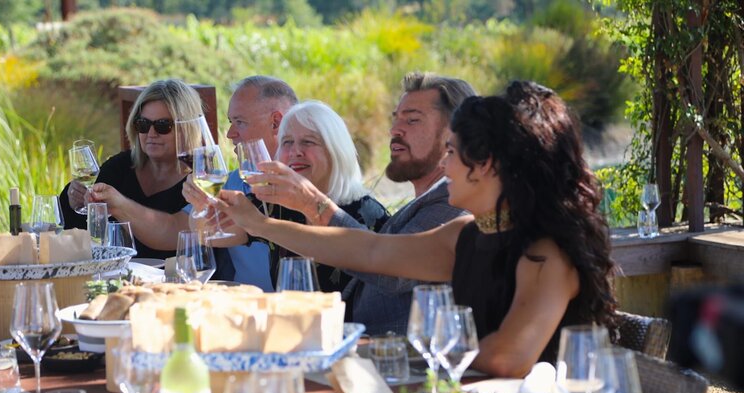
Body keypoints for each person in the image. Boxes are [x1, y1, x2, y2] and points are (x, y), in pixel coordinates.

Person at [217, 81, 617, 377]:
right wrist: (262, 225)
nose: (445, 167)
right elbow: (368, 251)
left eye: (452, 153)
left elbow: (507, 357)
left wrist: (406, 350)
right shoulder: (465, 235)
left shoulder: (548, 253)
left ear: (490, 166)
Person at [241, 72, 473, 334]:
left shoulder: (454, 204)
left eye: (412, 120)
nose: (395, 130)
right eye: (395, 119)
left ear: (455, 133)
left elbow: (387, 267)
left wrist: (307, 205)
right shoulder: (426, 201)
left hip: (401, 364)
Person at [191, 100, 389, 298]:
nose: (296, 152)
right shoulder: (275, 205)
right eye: (287, 142)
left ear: (335, 150)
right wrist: (203, 207)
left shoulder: (369, 215)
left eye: (308, 142)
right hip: (290, 322)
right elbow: (209, 232)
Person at [59, 78, 200, 259]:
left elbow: (176, 233)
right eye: (143, 125)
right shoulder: (121, 166)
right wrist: (74, 202)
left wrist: (119, 205)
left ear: (186, 128)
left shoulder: (201, 178)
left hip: (179, 281)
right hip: (118, 279)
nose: (151, 134)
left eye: (163, 126)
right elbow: (78, 231)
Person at [181, 75, 298, 291]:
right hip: (244, 306)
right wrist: (199, 207)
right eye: (231, 122)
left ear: (276, 122)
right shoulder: (237, 179)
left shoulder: (307, 183)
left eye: (240, 122)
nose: (229, 134)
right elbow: (203, 232)